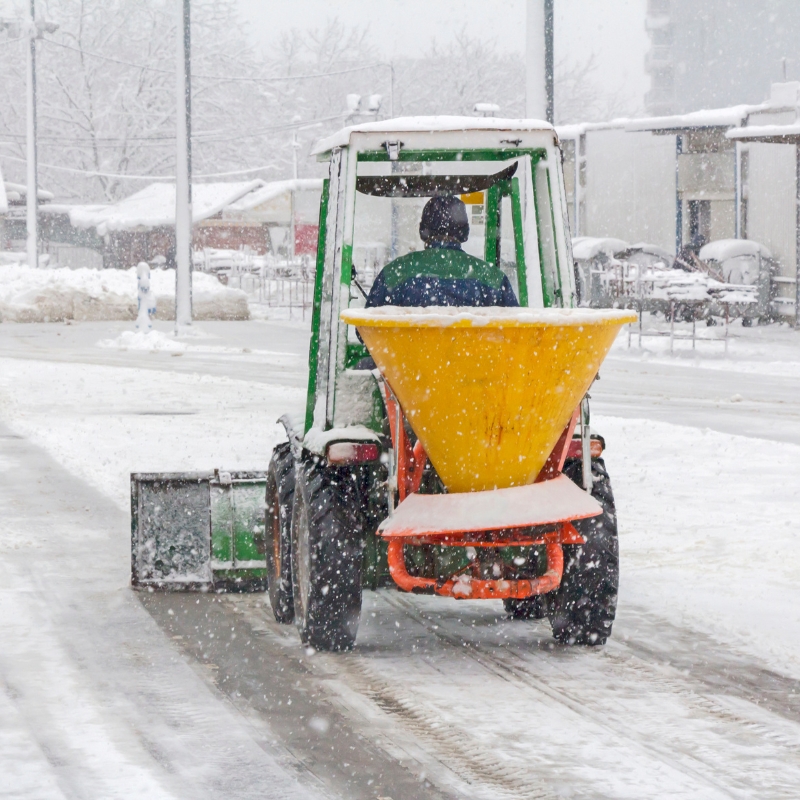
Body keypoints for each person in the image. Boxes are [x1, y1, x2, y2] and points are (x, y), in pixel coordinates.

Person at [365, 194, 519, 308]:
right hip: (474, 352)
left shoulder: (393, 273)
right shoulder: (493, 278)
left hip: (406, 353)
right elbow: (514, 333)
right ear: (464, 232)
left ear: (423, 231)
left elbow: (365, 332)